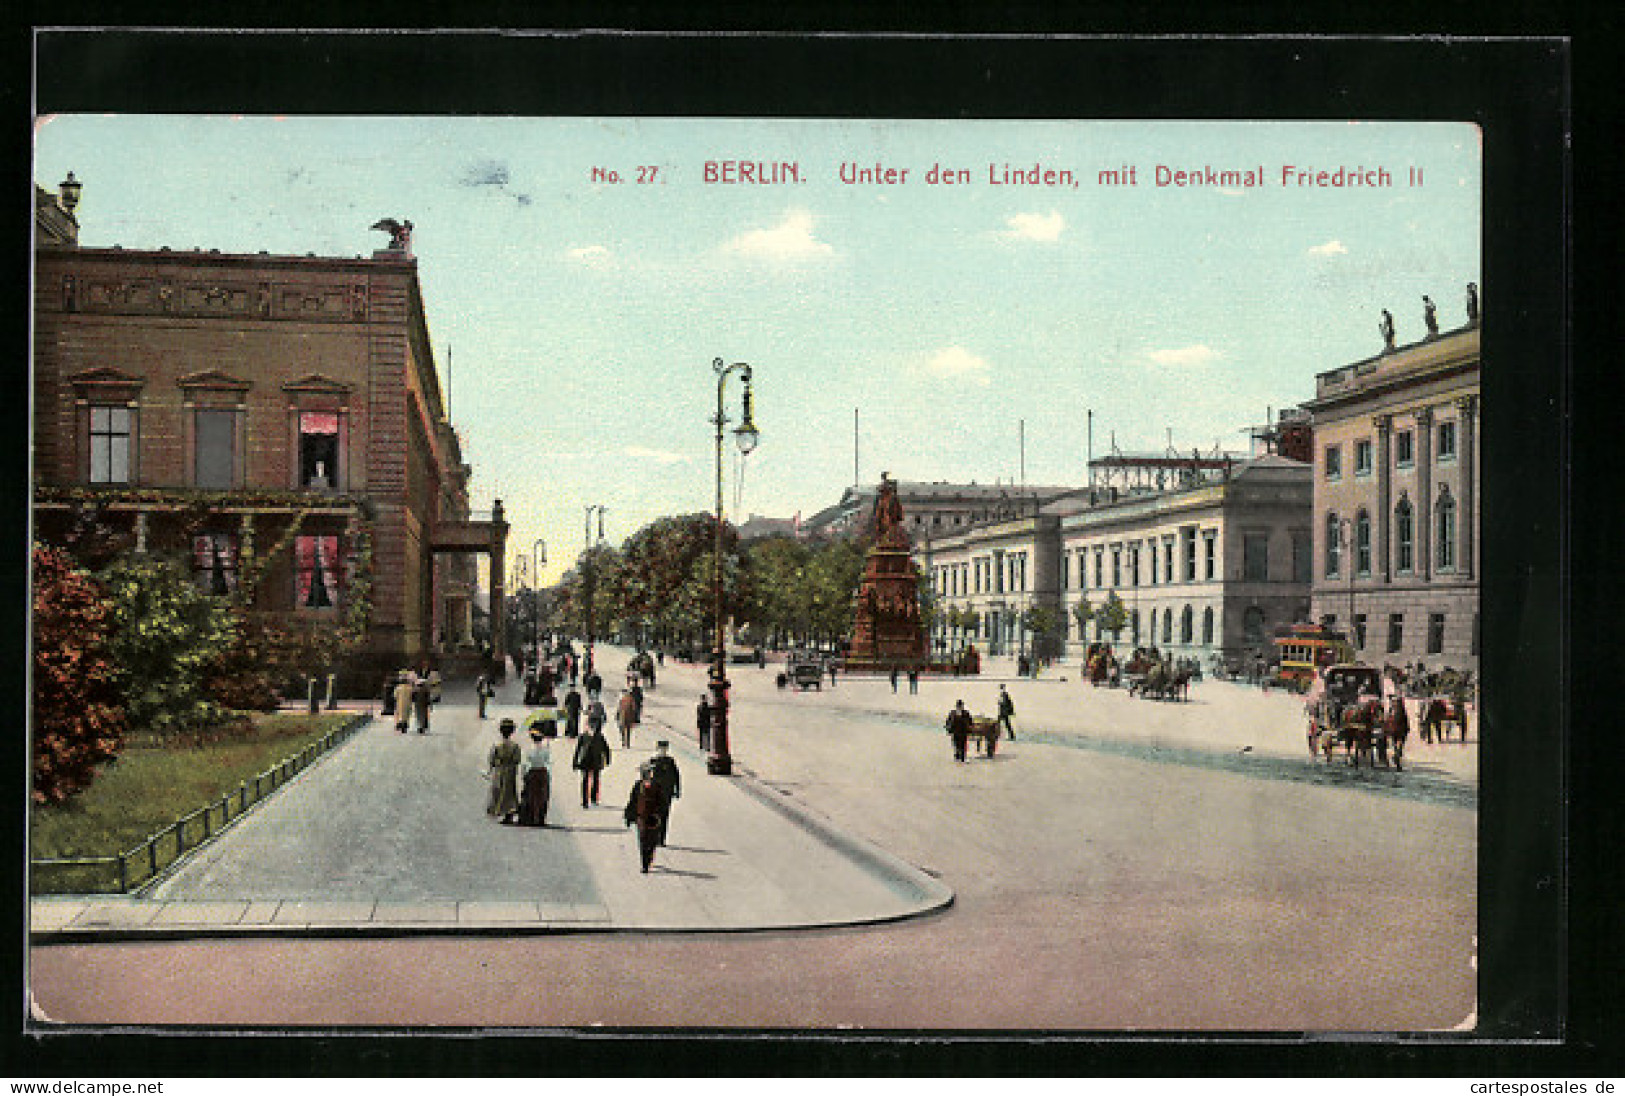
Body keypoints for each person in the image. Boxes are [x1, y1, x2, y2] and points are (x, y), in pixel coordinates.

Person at [623, 765, 671, 873]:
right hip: (641, 817)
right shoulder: (638, 786)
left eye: (648, 774)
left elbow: (663, 802)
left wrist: (660, 814)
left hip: (654, 818)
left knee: (652, 840)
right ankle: (645, 864)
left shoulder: (657, 786)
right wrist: (629, 815)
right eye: (645, 774)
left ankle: (649, 858)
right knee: (643, 840)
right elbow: (633, 801)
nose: (647, 777)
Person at [645, 741, 682, 846]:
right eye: (661, 749)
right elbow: (645, 777)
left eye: (664, 749)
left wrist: (677, 789)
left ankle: (661, 839)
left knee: (664, 815)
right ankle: (655, 836)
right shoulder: (653, 761)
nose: (663, 751)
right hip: (654, 793)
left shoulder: (670, 762)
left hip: (667, 792)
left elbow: (676, 776)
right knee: (655, 815)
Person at [486, 718, 521, 824]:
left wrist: (491, 769)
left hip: (499, 770)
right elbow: (517, 760)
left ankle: (498, 810)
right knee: (509, 792)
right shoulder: (515, 746)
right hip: (510, 770)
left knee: (498, 790)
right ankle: (509, 812)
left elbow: (492, 758)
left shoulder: (497, 745)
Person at [517, 725, 552, 826]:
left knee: (531, 796)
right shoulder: (545, 749)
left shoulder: (529, 750)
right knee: (542, 796)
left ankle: (530, 816)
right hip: (542, 773)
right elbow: (548, 763)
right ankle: (540, 817)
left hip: (532, 772)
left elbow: (525, 764)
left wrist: (524, 775)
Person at [572, 719, 612, 808]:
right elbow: (578, 750)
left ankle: (594, 798)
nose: (592, 729)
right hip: (585, 760)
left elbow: (606, 749)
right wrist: (575, 761)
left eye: (593, 727)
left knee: (596, 780)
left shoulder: (600, 737)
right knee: (585, 780)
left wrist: (608, 759)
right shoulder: (583, 736)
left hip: (596, 761)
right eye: (590, 727)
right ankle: (585, 801)